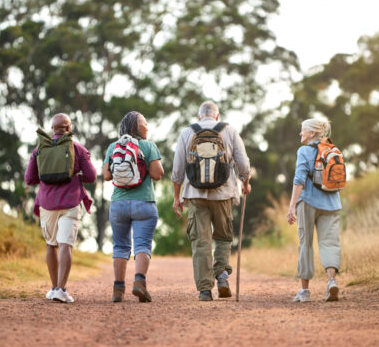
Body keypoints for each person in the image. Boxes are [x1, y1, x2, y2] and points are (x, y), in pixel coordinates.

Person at [172, 101, 251, 301]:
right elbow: (243, 163)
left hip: (195, 195)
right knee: (224, 237)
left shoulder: (187, 132)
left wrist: (176, 197)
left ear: (199, 117)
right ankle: (222, 276)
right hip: (223, 193)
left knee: (201, 241)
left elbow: (177, 169)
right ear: (217, 116)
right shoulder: (229, 130)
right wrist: (245, 182)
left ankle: (205, 290)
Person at [25, 113, 96, 303]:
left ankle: (53, 287)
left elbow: (29, 179)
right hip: (71, 203)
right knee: (66, 244)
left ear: (52, 129)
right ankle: (62, 290)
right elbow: (91, 176)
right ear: (69, 128)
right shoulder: (78, 149)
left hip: (47, 204)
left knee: (51, 245)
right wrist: (76, 175)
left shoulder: (39, 150)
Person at [102, 111, 164, 303]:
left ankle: (118, 289)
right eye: (144, 124)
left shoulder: (113, 147)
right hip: (144, 203)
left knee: (120, 246)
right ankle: (139, 283)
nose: (147, 127)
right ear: (136, 127)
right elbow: (157, 174)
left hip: (119, 204)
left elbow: (106, 175)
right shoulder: (148, 146)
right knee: (142, 245)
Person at [286, 117, 342, 302]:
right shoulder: (333, 149)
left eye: (303, 130)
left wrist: (292, 206)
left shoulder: (304, 150)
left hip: (308, 202)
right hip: (332, 203)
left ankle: (304, 292)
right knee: (330, 243)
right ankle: (331, 282)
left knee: (306, 244)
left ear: (311, 133)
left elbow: (299, 179)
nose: (300, 133)